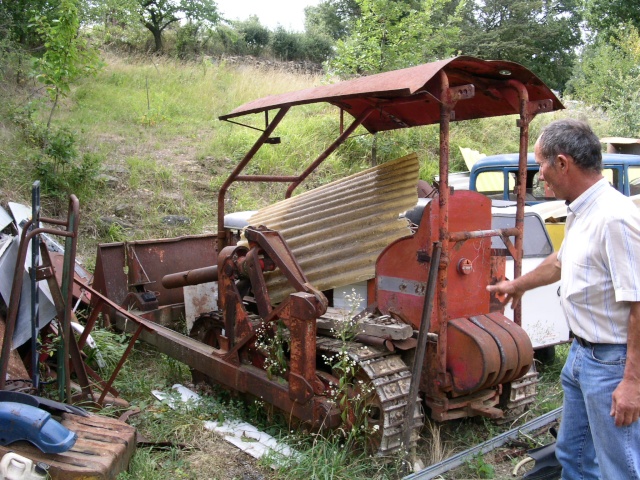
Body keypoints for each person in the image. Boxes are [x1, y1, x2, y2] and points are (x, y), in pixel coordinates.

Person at [487, 119, 640, 479]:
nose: (539, 175)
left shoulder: (614, 218)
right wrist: (518, 285)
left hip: (612, 363)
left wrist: (632, 381)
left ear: (562, 163)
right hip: (582, 355)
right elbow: (561, 261)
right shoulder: (580, 209)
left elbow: (639, 302)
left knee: (619, 467)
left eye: (540, 164)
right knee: (573, 456)